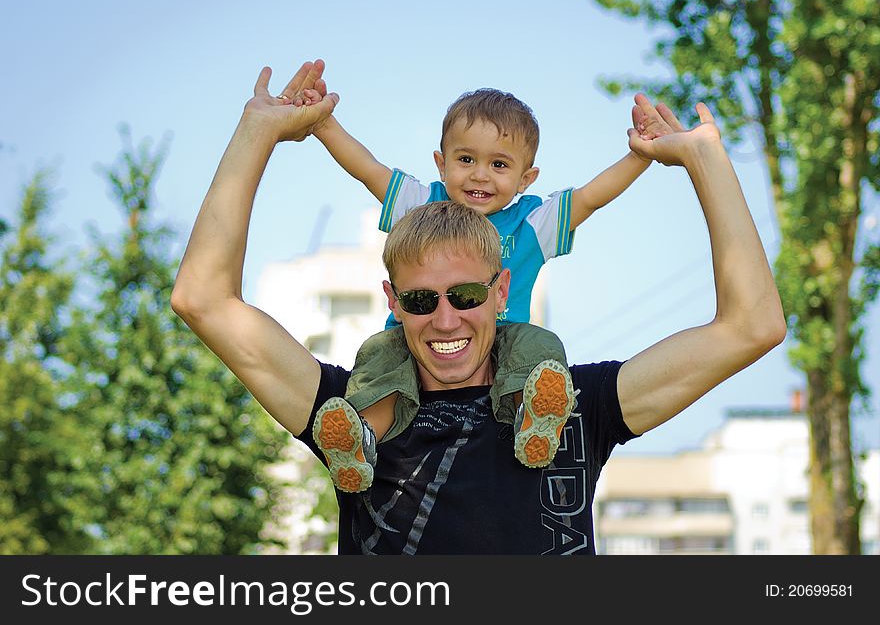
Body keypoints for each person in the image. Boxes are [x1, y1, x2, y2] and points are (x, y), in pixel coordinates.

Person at [171, 59, 786, 554]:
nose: (445, 319)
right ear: (392, 301)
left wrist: (705, 158)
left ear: (500, 291)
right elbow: (201, 298)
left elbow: (752, 327)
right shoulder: (355, 412)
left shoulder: (575, 405)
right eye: (419, 300)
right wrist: (258, 128)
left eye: (466, 295)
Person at [297, 72, 656, 490]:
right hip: (413, 338)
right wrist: (323, 125)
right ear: (441, 163)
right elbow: (367, 169)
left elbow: (591, 197)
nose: (480, 175)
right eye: (466, 160)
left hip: (504, 339)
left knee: (541, 347)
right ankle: (360, 442)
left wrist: (640, 157)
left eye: (499, 164)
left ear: (526, 179)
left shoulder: (530, 223)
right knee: (378, 357)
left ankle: (534, 420)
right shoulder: (420, 203)